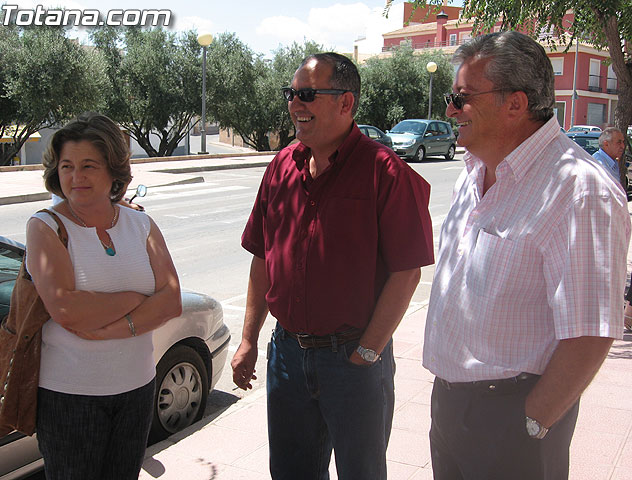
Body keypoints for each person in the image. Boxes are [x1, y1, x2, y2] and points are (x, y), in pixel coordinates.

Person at [423, 31, 631, 480]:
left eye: (462, 98)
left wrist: (532, 422)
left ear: (515, 104)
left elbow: (591, 331)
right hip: (451, 409)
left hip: (514, 420)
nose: (449, 110)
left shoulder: (579, 190)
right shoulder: (475, 171)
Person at [231, 52, 434, 479]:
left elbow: (407, 271)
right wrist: (248, 339)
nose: (294, 105)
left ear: (346, 103)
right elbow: (263, 257)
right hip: (287, 355)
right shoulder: (280, 167)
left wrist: (368, 351)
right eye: (291, 94)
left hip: (354, 360)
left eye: (306, 94)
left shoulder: (386, 172)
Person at [26, 112, 181, 479]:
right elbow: (67, 309)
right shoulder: (46, 227)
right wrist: (136, 299)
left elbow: (172, 300)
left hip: (137, 389)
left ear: (113, 170)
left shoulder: (141, 224)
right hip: (70, 397)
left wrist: (115, 326)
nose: (75, 177)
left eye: (88, 166)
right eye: (67, 166)